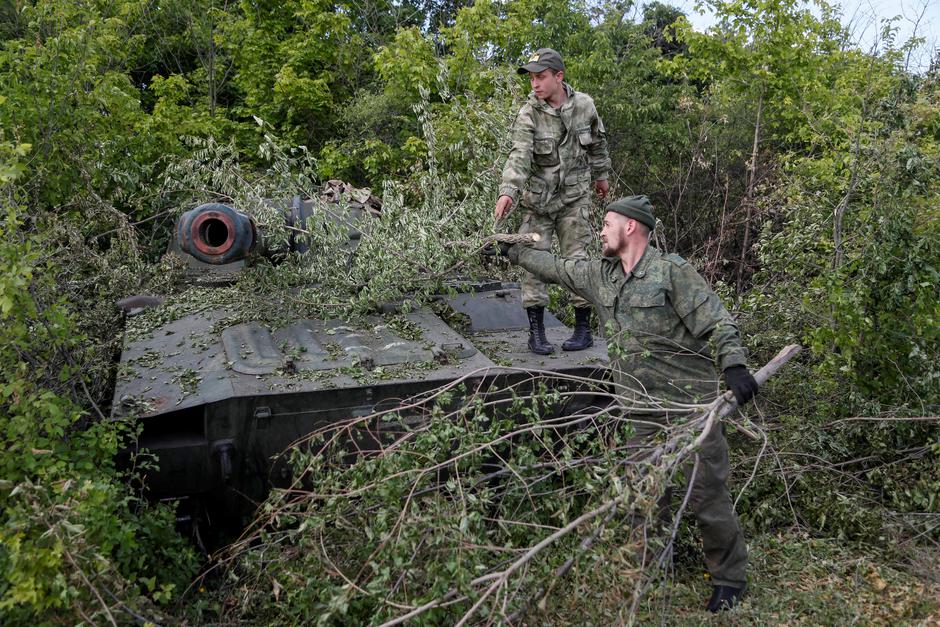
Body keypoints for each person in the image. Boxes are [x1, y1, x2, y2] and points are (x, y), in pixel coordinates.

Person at [499, 195, 759, 612]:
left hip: (689, 408)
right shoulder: (600, 276)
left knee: (708, 497)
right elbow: (557, 267)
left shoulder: (671, 272)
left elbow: (718, 321)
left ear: (631, 227)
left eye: (606, 223)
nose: (600, 230)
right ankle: (651, 570)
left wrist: (734, 365)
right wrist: (517, 252)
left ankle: (730, 580)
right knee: (645, 497)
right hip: (638, 410)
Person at [494, 47, 611, 355]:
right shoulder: (529, 112)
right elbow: (519, 155)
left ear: (559, 76)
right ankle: (537, 333)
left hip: (574, 199)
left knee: (578, 261)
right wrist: (508, 190)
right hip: (538, 203)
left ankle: (583, 330)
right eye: (531, 78)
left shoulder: (584, 106)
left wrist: (601, 177)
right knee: (533, 263)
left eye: (541, 77)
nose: (535, 84)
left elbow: (598, 144)